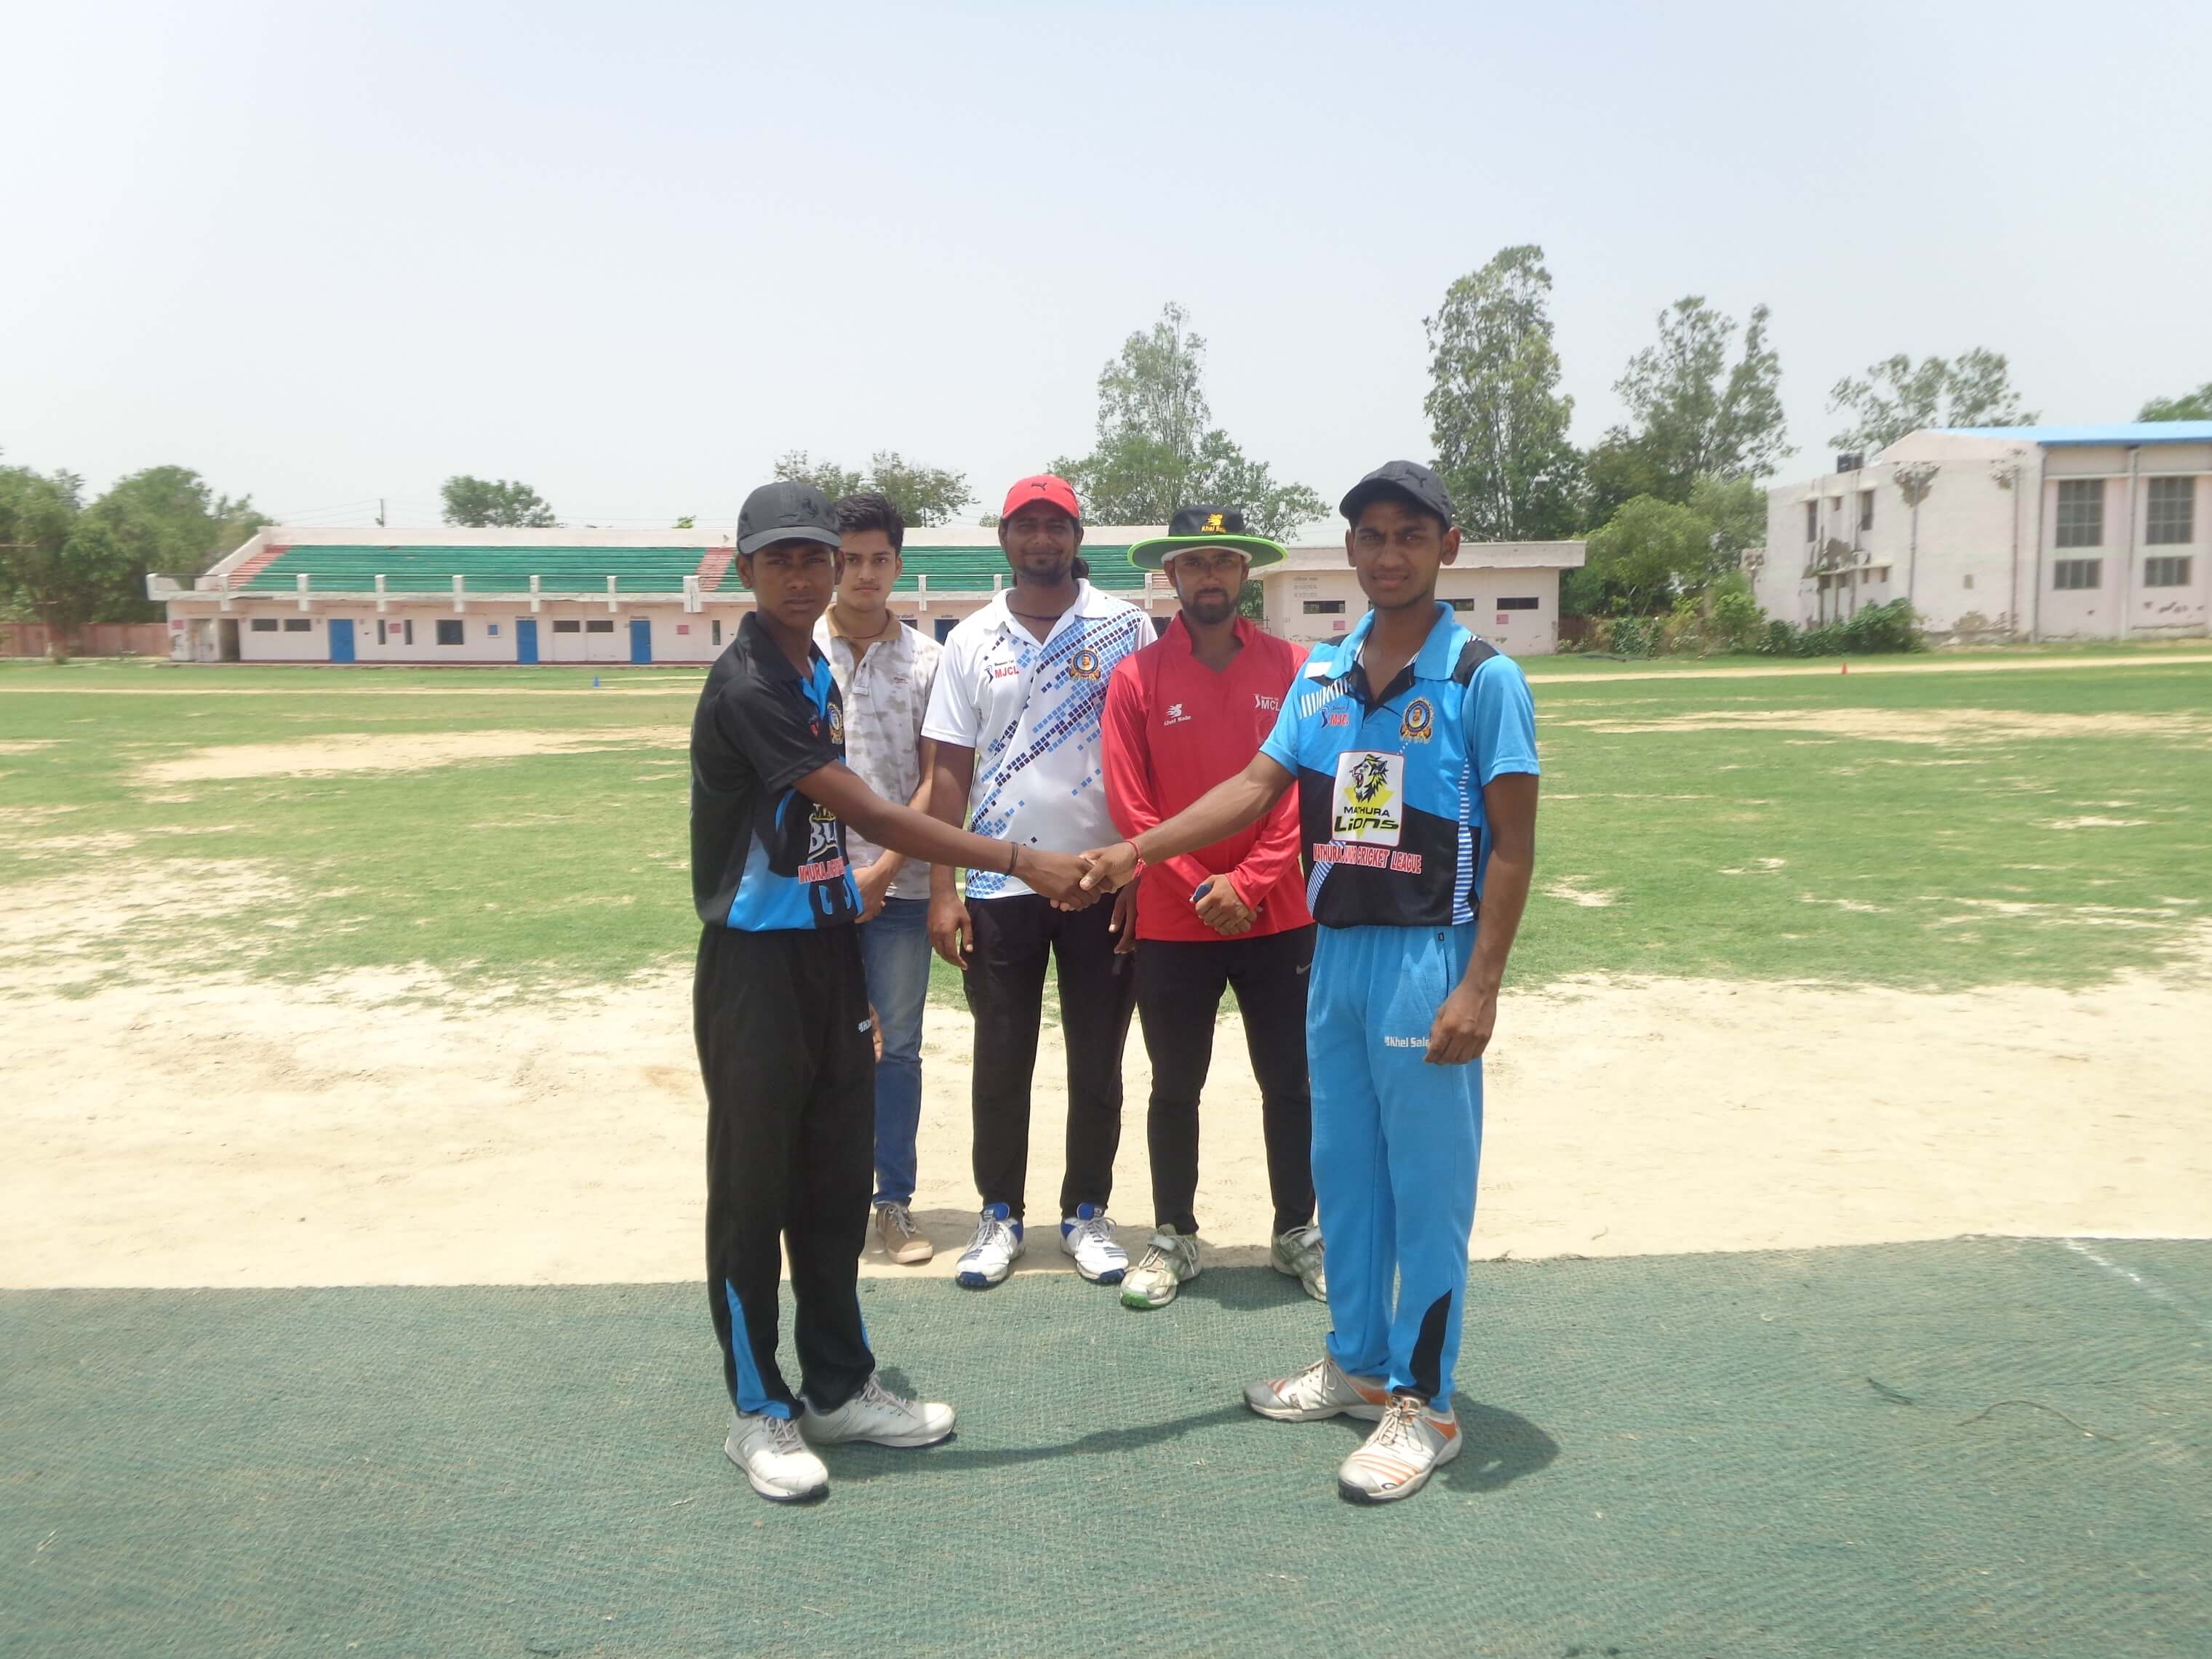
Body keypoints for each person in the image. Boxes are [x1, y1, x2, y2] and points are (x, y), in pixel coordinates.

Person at [1077, 461, 1539, 1504]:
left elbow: (1512, 844)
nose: (1387, 553)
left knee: (1425, 1190)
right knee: (1347, 1177)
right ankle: (1356, 1366)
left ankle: (1426, 1404)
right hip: (1336, 956)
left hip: (1427, 960)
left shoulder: (1478, 678)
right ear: (1352, 551)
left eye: (1408, 535)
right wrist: (1137, 852)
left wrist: (1480, 985)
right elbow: (1252, 786)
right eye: (1369, 536)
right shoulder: (1323, 674)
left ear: (1446, 548)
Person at [694, 478, 1095, 1503]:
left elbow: (834, 841)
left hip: (829, 958)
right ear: (745, 570)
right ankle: (757, 1408)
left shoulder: (813, 678)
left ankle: (837, 1386)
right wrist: (1020, 857)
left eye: (812, 556)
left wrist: (852, 962)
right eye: (776, 559)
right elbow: (867, 812)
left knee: (833, 1191)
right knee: (752, 1197)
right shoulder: (746, 684)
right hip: (751, 971)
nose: (799, 574)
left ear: (839, 566)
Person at [920, 474, 1151, 1290]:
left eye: (1057, 525)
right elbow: (947, 770)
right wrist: (944, 886)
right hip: (997, 880)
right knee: (1002, 1053)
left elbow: (1149, 752)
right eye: (1027, 526)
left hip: (1101, 874)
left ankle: (1087, 1211)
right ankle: (999, 1214)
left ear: (1076, 536)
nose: (1042, 540)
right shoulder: (969, 637)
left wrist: (1137, 866)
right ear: (1004, 539)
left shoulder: (1126, 625)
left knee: (1098, 1053)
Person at [1102, 505, 1324, 1311]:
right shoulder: (1134, 678)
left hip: (1279, 912)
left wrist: (1254, 881)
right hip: (1173, 915)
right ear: (1170, 576)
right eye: (1193, 563)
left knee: (1290, 1081)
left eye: (1222, 562)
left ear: (1244, 574)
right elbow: (1131, 807)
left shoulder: (1298, 666)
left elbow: (1302, 790)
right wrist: (1203, 883)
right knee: (1173, 1083)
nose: (1208, 577)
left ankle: (1296, 1229)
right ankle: (1172, 1235)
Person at [814, 491, 944, 1266]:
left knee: (895, 1049)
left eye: (878, 559)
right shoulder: (798, 653)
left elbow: (936, 778)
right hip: (814, 886)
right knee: (822, 1047)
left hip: (895, 889)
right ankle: (825, 1200)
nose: (864, 573)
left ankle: (890, 1203)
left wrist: (889, 867)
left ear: (898, 563)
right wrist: (837, 875)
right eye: (850, 558)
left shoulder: (928, 661)